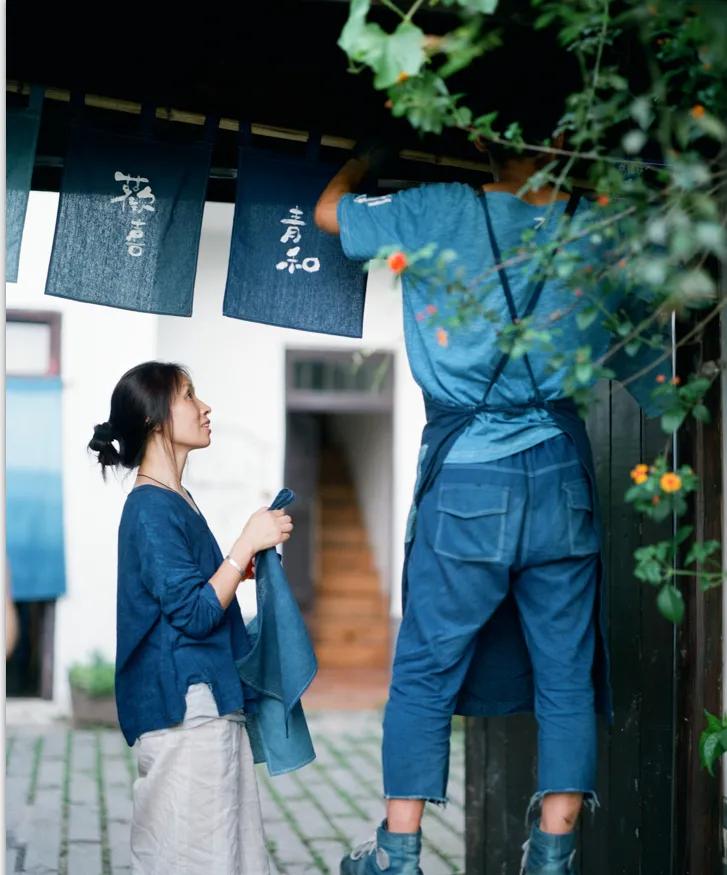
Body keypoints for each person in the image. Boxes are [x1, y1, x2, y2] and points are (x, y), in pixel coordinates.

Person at [314, 84, 667, 875]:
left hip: (467, 479)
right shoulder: (592, 227)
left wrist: (369, 156)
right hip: (560, 477)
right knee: (565, 674)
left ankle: (396, 855)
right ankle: (552, 854)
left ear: (481, 143)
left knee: (423, 669)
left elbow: (329, 215)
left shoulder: (439, 210)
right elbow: (649, 336)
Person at [88, 361, 294, 875]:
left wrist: (236, 571)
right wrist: (245, 541)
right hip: (185, 709)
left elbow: (192, 597)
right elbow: (197, 613)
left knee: (225, 856)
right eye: (189, 396)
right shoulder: (150, 508)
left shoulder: (175, 500)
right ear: (158, 418)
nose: (206, 408)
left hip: (202, 704)